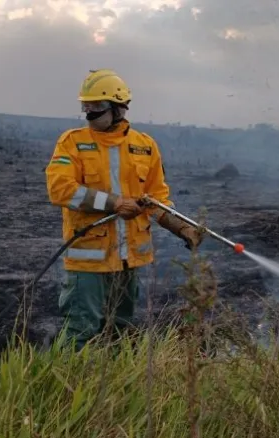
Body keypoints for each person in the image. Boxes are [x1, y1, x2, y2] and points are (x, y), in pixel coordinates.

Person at [44, 69, 201, 350]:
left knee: (120, 332)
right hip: (88, 262)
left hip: (129, 261)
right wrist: (114, 203)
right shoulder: (72, 142)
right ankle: (67, 391)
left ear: (118, 108)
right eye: (86, 108)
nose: (89, 114)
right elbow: (60, 190)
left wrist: (181, 227)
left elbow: (156, 199)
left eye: (96, 107)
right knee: (80, 332)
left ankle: (115, 390)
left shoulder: (145, 146)